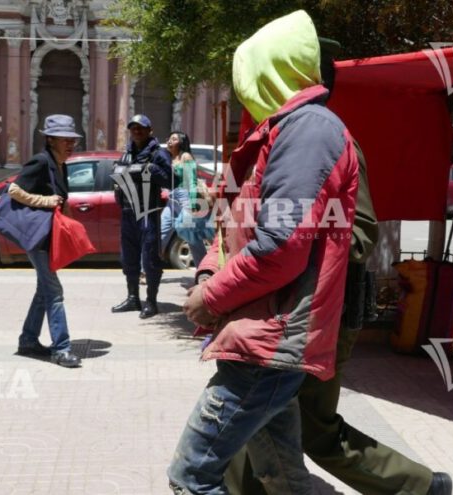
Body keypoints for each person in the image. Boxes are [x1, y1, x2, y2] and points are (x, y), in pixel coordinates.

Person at [223, 37, 451, 495]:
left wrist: (291, 251)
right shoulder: (285, 136)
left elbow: (361, 233)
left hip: (318, 316)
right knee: (247, 416)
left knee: (308, 428)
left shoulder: (326, 139)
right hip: (281, 314)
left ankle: (420, 487)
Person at [167, 11, 363, 494]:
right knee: (284, 477)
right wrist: (209, 271)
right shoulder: (281, 131)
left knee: (191, 476)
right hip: (261, 338)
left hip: (270, 342)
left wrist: (210, 298)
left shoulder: (309, 129)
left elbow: (281, 247)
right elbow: (233, 224)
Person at [9, 114, 83, 369]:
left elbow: (62, 199)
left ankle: (28, 340)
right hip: (38, 237)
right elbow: (14, 191)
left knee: (44, 291)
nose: (70, 144)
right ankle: (61, 349)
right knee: (54, 292)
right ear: (50, 139)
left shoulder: (59, 164)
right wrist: (45, 201)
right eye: (64, 139)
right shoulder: (41, 161)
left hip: (49, 236)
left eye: (72, 139)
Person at [110, 114, 172, 319]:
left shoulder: (158, 153)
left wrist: (150, 170)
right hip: (128, 212)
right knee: (128, 258)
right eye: (133, 128)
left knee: (150, 259)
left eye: (141, 128)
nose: (136, 131)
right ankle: (132, 298)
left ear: (149, 130)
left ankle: (151, 302)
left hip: (148, 212)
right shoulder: (127, 154)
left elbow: (172, 181)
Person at [161, 131, 214, 268]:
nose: (169, 141)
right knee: (162, 231)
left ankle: (204, 270)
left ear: (181, 142)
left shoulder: (186, 157)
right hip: (173, 198)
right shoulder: (168, 158)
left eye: (174, 139)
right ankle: (145, 270)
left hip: (185, 197)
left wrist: (192, 203)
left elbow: (191, 181)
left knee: (192, 237)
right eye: (169, 138)